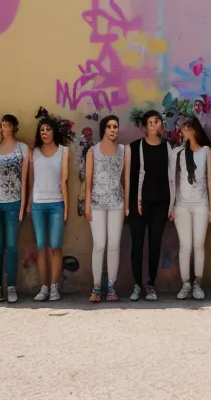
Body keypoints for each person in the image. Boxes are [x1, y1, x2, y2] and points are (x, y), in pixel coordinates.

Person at [85, 114, 130, 302]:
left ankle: (111, 286)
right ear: (103, 129)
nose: (113, 130)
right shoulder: (92, 151)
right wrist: (87, 205)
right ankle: (96, 287)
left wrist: (126, 205)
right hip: (96, 203)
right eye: (109, 126)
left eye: (115, 126)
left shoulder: (124, 150)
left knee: (113, 245)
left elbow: (125, 180)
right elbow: (88, 180)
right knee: (99, 244)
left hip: (116, 203)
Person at [170, 116, 211, 300]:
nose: (184, 132)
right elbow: (172, 180)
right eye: (183, 129)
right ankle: (185, 283)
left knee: (198, 245)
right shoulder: (177, 152)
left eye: (188, 128)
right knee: (185, 246)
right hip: (181, 205)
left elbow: (210, 180)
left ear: (195, 130)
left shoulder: (206, 151)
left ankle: (197, 283)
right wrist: (171, 205)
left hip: (201, 204)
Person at [0, 114, 29, 304]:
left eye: (8, 125)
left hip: (14, 203)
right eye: (2, 125)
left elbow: (25, 179)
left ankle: (11, 287)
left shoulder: (22, 149)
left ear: (14, 127)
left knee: (11, 246)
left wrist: (23, 205)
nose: (5, 128)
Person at [131, 110, 173, 301]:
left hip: (161, 203)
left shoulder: (167, 147)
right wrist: (132, 203)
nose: (155, 125)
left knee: (155, 242)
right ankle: (136, 284)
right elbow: (131, 177)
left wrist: (172, 204)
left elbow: (172, 176)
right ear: (145, 127)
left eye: (157, 121)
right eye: (151, 122)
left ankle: (151, 284)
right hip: (140, 203)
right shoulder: (135, 147)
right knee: (137, 243)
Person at [28, 115, 69, 302]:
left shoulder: (63, 151)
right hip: (38, 205)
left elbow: (64, 181)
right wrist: (29, 202)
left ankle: (54, 287)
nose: (44, 133)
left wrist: (66, 208)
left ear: (54, 132)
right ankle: (43, 287)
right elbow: (31, 180)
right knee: (40, 247)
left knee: (55, 246)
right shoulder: (34, 152)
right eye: (42, 130)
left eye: (48, 129)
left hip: (56, 204)